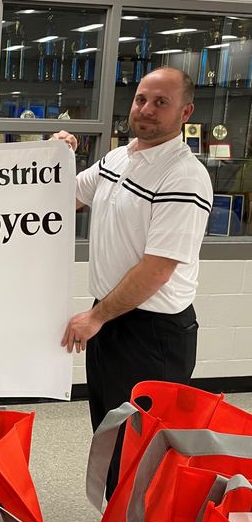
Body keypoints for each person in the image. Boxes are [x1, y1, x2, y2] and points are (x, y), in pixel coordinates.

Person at [53, 67, 213, 499]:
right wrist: (52, 159)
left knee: (144, 452)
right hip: (112, 321)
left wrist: (96, 316)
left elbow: (157, 268)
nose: (146, 110)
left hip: (152, 334)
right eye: (142, 99)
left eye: (161, 102)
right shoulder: (120, 158)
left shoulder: (184, 175)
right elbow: (66, 196)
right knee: (110, 435)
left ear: (185, 113)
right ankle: (117, 519)